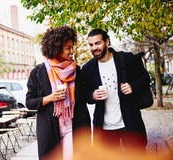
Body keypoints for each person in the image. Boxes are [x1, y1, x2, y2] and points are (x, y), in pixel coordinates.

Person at [26, 26, 91, 160]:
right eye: (68, 48)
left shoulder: (76, 71)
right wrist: (50, 98)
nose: (72, 51)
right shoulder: (38, 72)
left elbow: (85, 96)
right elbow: (29, 102)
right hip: (50, 129)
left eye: (72, 47)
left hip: (74, 128)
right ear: (56, 48)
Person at [82, 29, 148, 152]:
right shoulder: (87, 68)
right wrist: (92, 95)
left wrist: (132, 86)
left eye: (97, 43)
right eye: (91, 45)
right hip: (104, 128)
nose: (94, 48)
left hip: (130, 124)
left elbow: (145, 79)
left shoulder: (126, 59)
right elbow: (84, 94)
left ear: (107, 42)